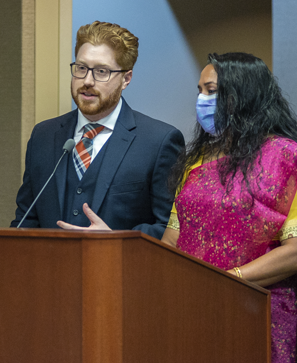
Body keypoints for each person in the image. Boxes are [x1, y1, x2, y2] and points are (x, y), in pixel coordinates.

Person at [162, 53, 297, 363]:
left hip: (260, 314)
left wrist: (228, 281)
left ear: (242, 94)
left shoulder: (284, 159)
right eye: (200, 90)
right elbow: (172, 241)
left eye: (212, 91)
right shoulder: (195, 164)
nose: (202, 100)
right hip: (194, 312)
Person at [11, 21, 184, 239]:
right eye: (81, 68)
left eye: (102, 71)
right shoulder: (43, 135)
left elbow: (169, 230)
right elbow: (25, 220)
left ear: (126, 79)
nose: (87, 81)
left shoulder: (159, 142)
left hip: (120, 270)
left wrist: (115, 239)